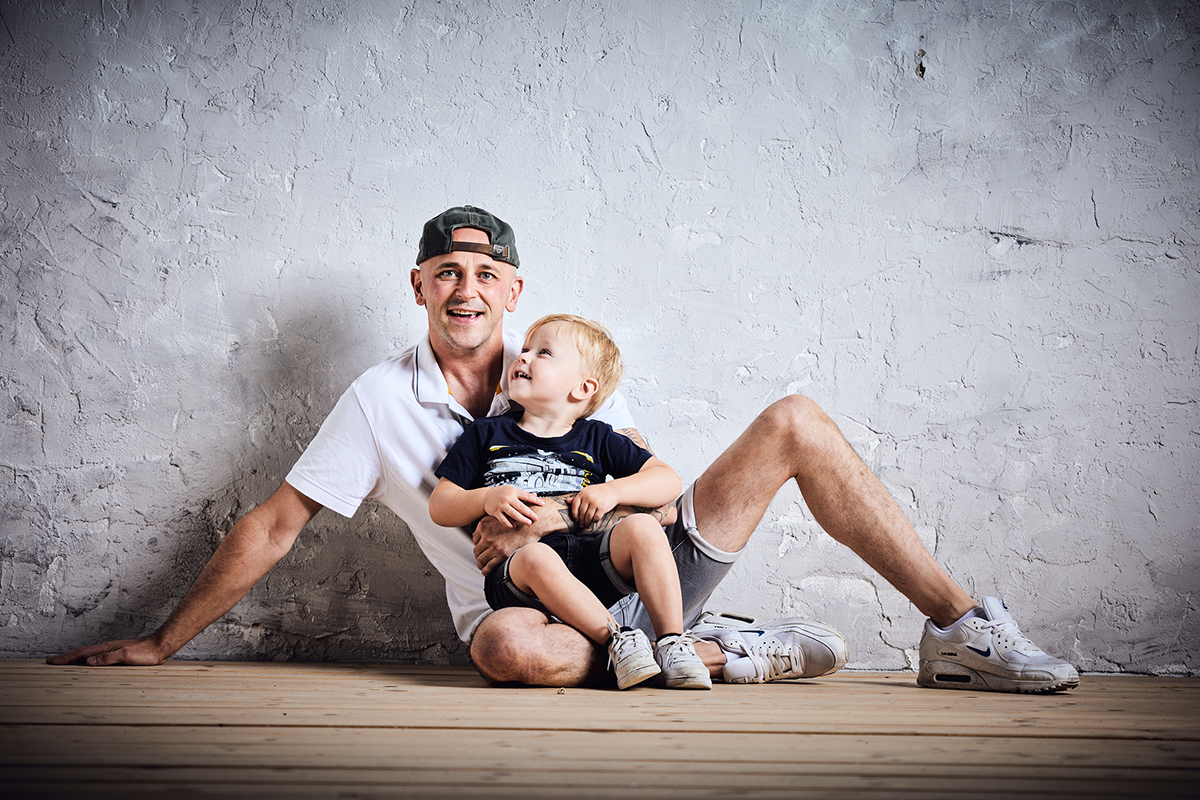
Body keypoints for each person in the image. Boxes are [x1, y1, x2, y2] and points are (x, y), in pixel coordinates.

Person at [48, 205, 1080, 695]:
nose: (465, 290)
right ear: (418, 287)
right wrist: (162, 643)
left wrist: (598, 502)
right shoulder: (378, 400)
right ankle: (717, 650)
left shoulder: (559, 369)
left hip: (636, 566)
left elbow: (652, 487)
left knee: (798, 419)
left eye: (484, 274)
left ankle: (960, 630)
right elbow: (277, 524)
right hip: (533, 611)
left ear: (513, 291)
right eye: (445, 272)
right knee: (507, 652)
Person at [429, 314, 710, 690]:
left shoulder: (598, 438)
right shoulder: (485, 433)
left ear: (582, 388)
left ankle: (673, 643)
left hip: (590, 564)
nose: (523, 357)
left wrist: (612, 492)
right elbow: (441, 505)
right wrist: (487, 497)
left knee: (643, 526)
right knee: (536, 556)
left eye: (543, 352)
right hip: (518, 575)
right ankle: (617, 641)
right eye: (525, 349)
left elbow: (667, 480)